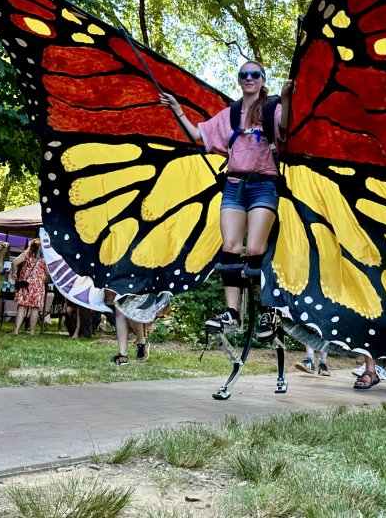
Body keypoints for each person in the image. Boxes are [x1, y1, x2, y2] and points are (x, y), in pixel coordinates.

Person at [159, 62, 293, 341]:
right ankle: (232, 312)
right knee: (230, 248)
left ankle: (268, 311)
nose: (249, 78)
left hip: (263, 185)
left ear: (262, 79)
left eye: (254, 74)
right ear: (239, 80)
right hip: (234, 186)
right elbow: (197, 135)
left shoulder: (272, 108)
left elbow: (284, 127)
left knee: (254, 249)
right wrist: (177, 110)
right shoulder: (230, 113)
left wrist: (286, 97)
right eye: (244, 75)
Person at [110, 293, 171, 364]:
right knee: (119, 310)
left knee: (134, 311)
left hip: (146, 288)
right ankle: (123, 354)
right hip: (127, 286)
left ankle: (142, 343)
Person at [11, 239, 49, 336]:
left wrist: (14, 273)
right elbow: (48, 272)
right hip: (38, 285)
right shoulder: (44, 258)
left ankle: (16, 330)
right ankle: (32, 331)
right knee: (35, 308)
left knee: (22, 306)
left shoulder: (27, 254)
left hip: (25, 283)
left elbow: (14, 262)